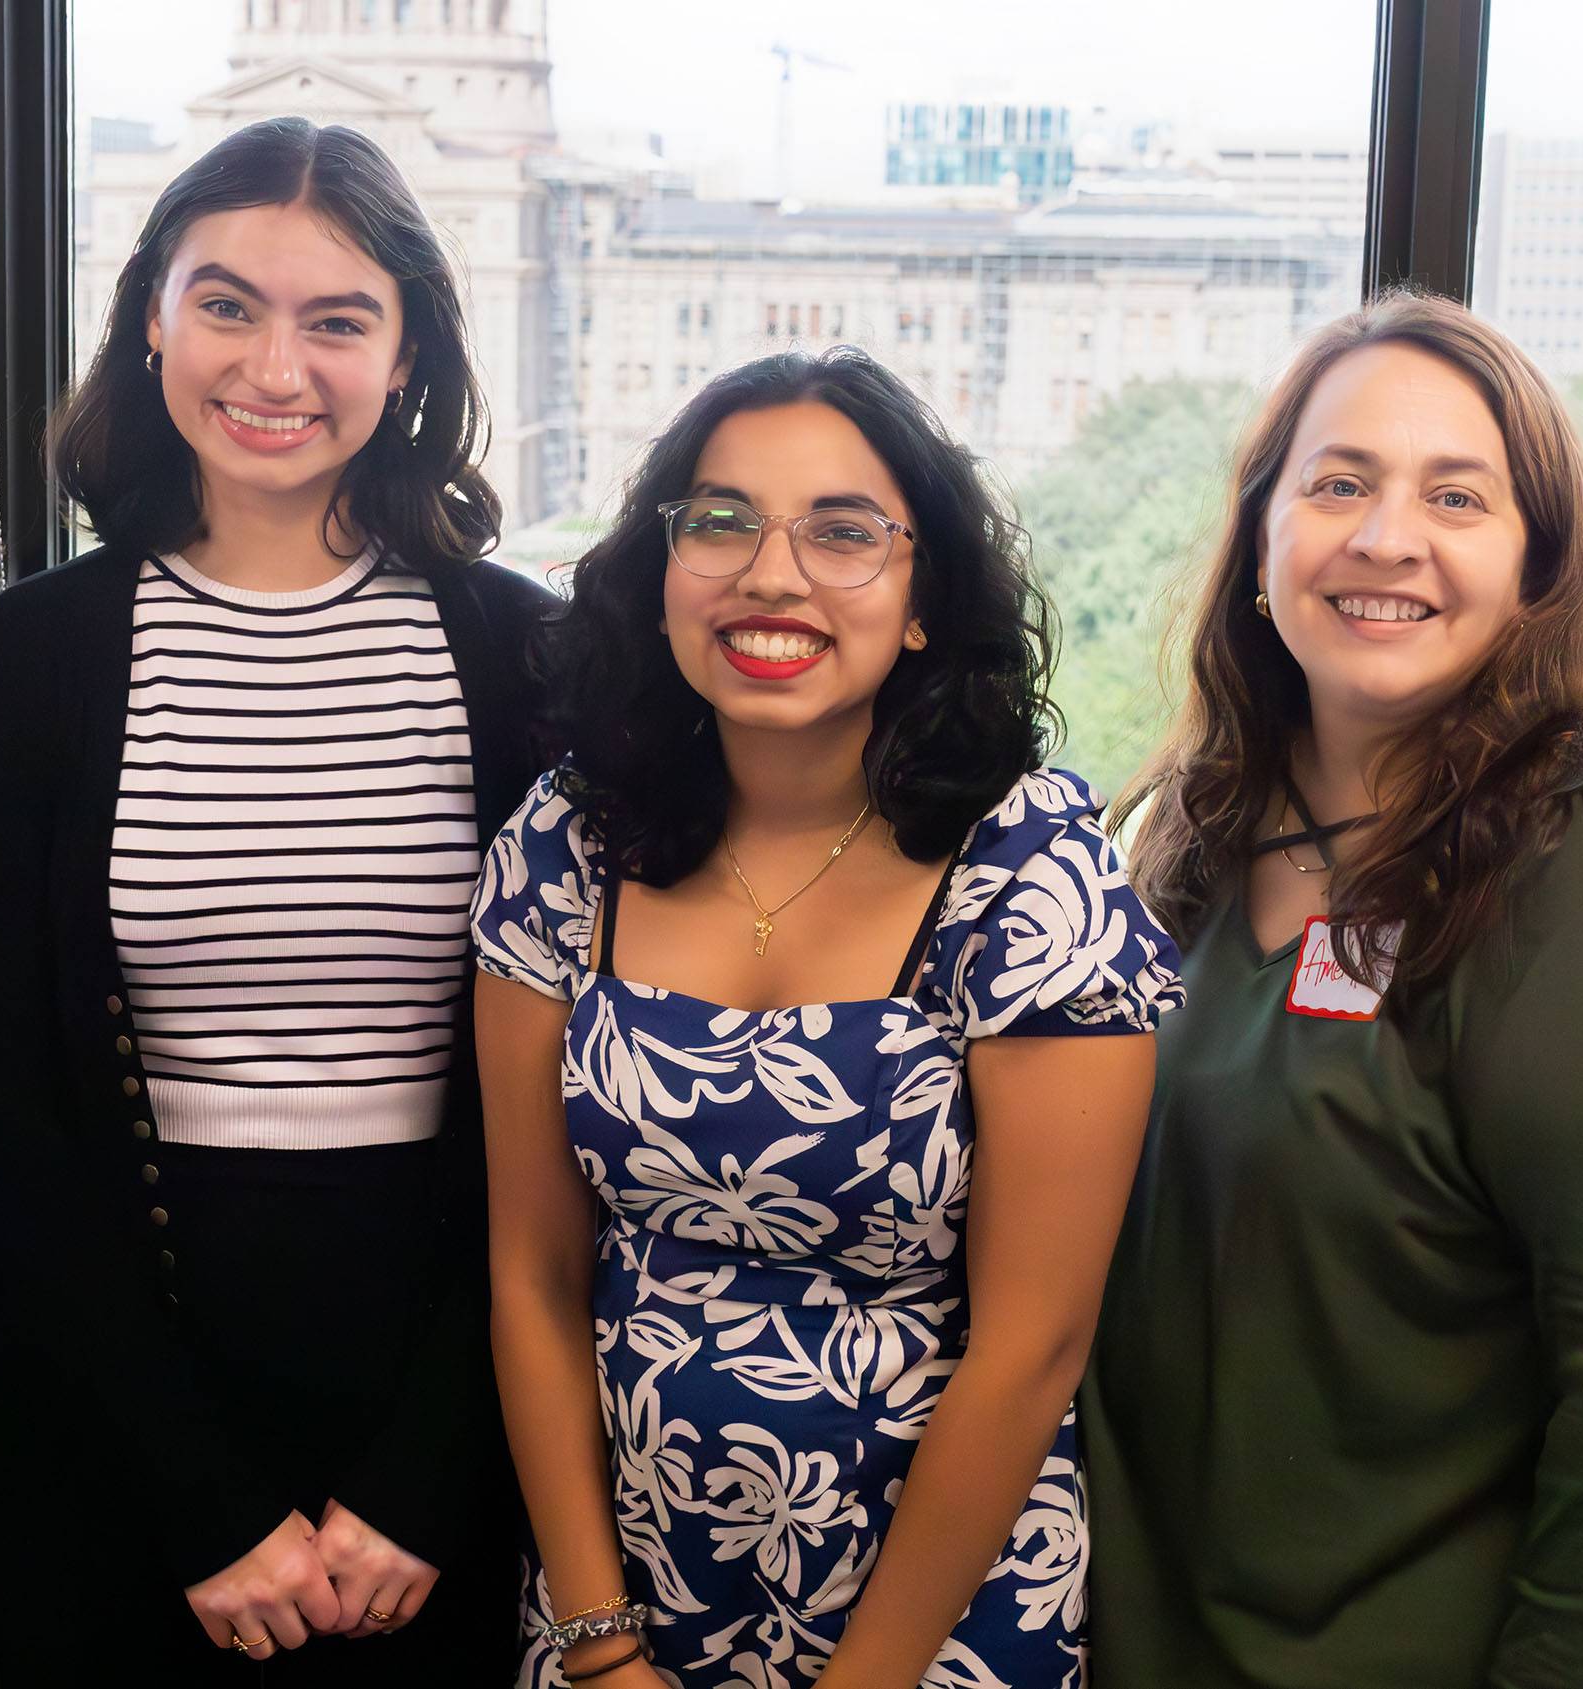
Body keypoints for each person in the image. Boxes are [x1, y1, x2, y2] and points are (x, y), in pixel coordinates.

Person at [1087, 288, 1583, 1686]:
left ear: (1537, 568)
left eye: (1458, 496)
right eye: (1338, 481)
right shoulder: (1191, 839)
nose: (1386, 535)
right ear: (1263, 534)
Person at [0, 116, 550, 1683]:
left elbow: (564, 1099)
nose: (278, 366)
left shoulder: (526, 657)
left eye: (338, 321)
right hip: (116, 1389)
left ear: (407, 358)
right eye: (227, 305)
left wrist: (428, 1469)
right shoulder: (25, 664)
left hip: (441, 1392)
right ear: (151, 318)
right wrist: (200, 1494)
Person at [471, 347, 1182, 1689]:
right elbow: (533, 1275)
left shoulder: (1025, 870)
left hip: (938, 1618)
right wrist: (597, 1639)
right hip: (620, 1593)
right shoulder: (567, 839)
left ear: (922, 601)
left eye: (843, 531)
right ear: (662, 573)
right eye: (720, 520)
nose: (772, 574)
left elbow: (1034, 1349)